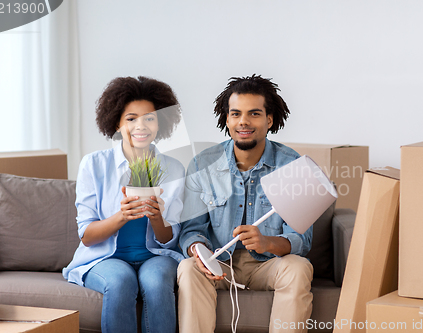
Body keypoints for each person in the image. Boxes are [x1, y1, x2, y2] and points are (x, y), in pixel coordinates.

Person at [178, 74, 313, 333]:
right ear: (227, 118)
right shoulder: (202, 164)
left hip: (269, 265)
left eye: (254, 114)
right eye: (236, 114)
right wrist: (198, 250)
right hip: (219, 264)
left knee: (299, 268)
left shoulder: (293, 165)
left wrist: (267, 242)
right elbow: (191, 229)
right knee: (187, 268)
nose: (244, 122)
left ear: (269, 119)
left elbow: (301, 239)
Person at [63, 76, 185, 333]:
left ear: (160, 123)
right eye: (131, 118)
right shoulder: (94, 164)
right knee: (120, 282)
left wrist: (156, 217)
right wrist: (122, 216)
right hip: (104, 258)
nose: (141, 126)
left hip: (156, 256)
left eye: (149, 118)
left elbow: (170, 239)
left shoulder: (173, 169)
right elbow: (86, 236)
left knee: (157, 281)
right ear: (117, 123)